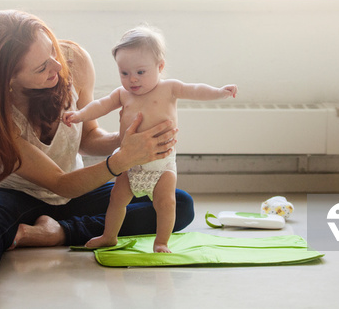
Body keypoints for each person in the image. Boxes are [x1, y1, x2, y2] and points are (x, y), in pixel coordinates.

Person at [0, 11, 195, 288]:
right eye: (42, 67)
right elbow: (59, 183)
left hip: (73, 195)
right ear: (9, 79)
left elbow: (88, 137)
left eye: (52, 50)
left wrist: (128, 138)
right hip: (12, 194)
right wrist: (123, 158)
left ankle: (57, 232)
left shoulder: (74, 61)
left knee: (178, 204)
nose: (57, 65)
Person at [63, 26, 237, 253]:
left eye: (140, 72)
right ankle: (109, 236)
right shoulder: (122, 94)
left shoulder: (169, 88)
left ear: (160, 66)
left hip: (161, 164)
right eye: (124, 73)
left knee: (166, 203)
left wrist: (219, 92)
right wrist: (78, 115)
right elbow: (99, 106)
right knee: (117, 200)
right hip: (129, 163)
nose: (132, 79)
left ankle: (161, 242)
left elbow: (196, 90)